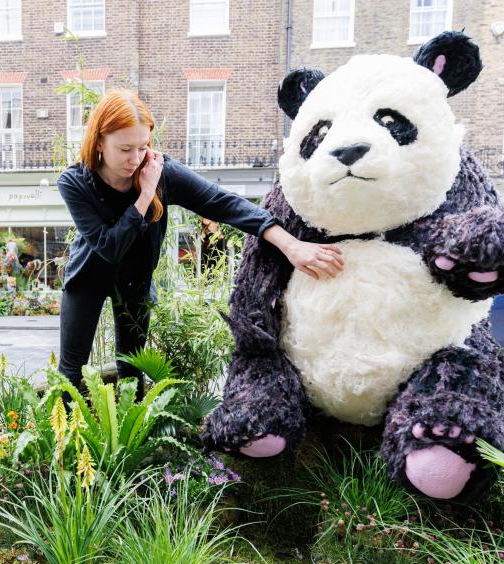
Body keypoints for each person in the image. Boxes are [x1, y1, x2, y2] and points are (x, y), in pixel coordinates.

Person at [56, 89, 343, 395]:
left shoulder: (160, 170)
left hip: (134, 284)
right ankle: (65, 441)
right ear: (99, 141)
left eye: (143, 147)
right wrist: (144, 196)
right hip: (87, 278)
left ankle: (129, 442)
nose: (136, 159)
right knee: (70, 373)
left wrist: (290, 244)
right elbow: (110, 247)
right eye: (125, 149)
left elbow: (221, 202)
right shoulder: (75, 182)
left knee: (131, 372)